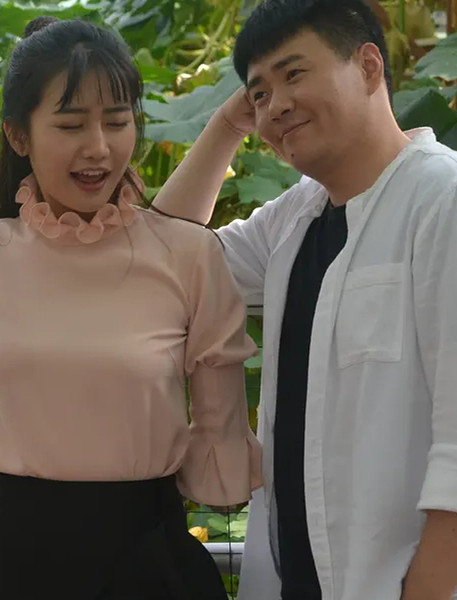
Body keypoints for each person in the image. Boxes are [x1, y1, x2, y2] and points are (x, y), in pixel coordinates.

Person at [153, 0, 457, 598]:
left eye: (294, 73)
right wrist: (230, 124)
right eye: (258, 93)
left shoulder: (456, 199)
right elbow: (168, 256)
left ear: (368, 67)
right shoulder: (296, 218)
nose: (275, 105)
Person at [0, 16, 262, 600]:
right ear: (18, 136)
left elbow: (218, 426)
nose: (98, 147)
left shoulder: (188, 256)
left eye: (117, 122)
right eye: (70, 124)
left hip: (143, 558)